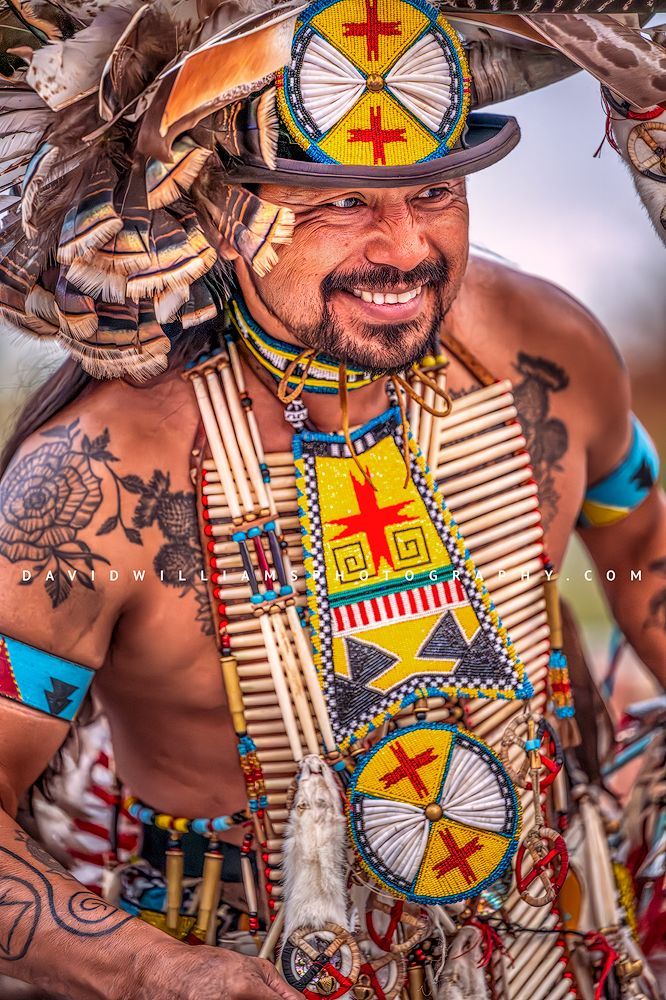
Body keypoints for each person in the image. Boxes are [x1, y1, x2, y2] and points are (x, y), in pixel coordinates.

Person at [0, 2, 663, 998]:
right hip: (231, 940)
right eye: (338, 204)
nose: (403, 248)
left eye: (434, 189)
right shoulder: (96, 483)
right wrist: (159, 971)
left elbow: (644, 553)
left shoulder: (546, 350)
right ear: (222, 213)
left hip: (549, 929)